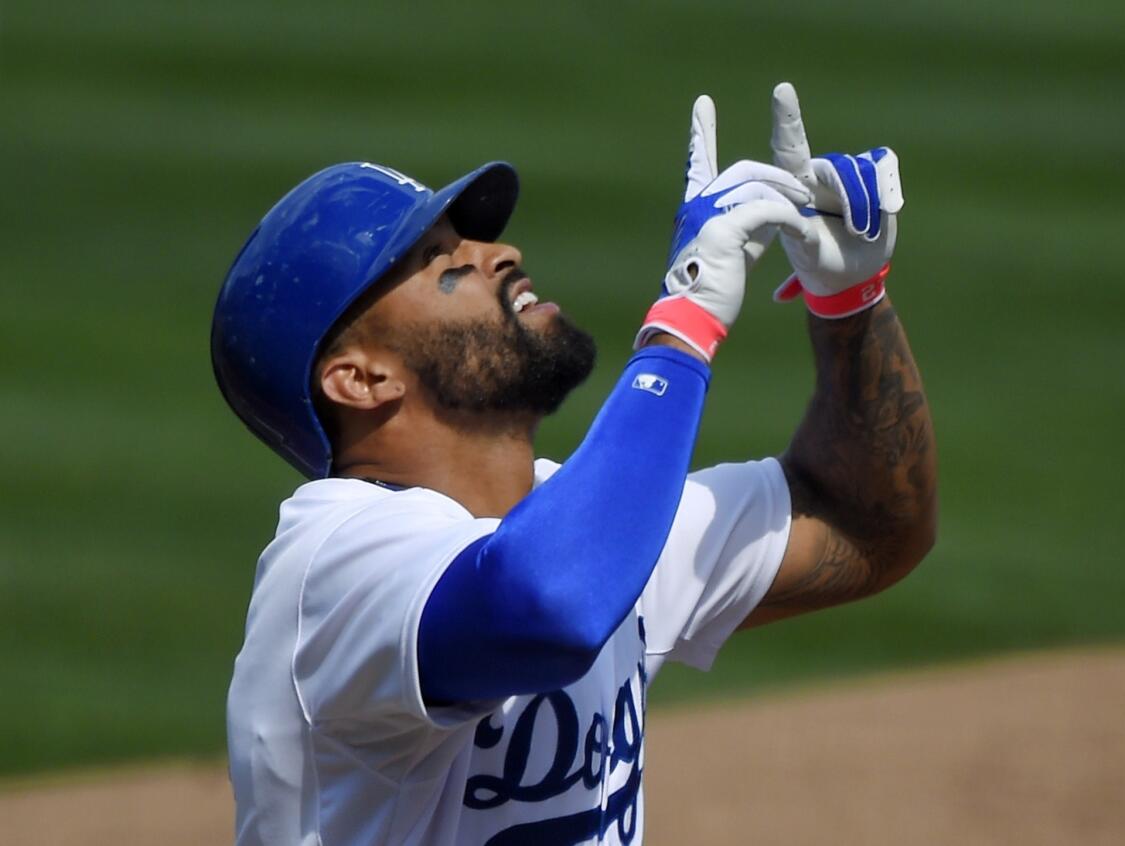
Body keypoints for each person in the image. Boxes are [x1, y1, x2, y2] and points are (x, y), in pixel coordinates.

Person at [212, 82, 937, 845]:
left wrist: (850, 302)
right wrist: (683, 329)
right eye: (441, 264)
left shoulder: (587, 520)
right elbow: (550, 605)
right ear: (360, 379)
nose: (502, 254)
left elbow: (869, 527)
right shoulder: (336, 565)